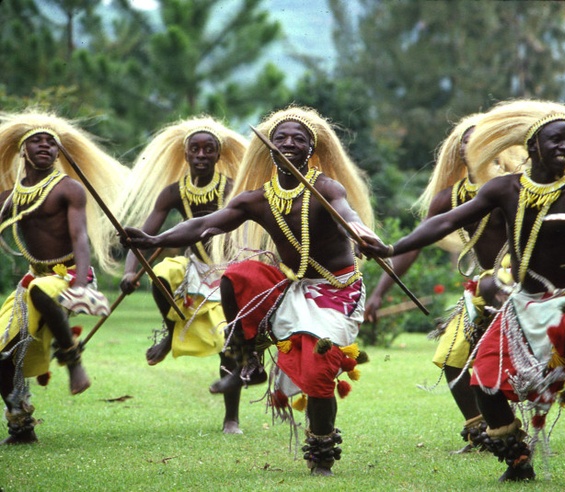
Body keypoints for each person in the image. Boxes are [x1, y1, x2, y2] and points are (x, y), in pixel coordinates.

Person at [359, 100, 565, 481]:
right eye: (556, 141)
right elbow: (446, 221)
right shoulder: (502, 190)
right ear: (533, 148)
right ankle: (517, 462)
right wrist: (392, 247)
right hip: (521, 303)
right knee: (483, 380)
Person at [121, 106, 374, 477]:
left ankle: (321, 455)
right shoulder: (256, 199)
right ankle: (246, 357)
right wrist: (156, 239)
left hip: (337, 290)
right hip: (294, 285)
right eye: (282, 137)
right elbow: (204, 224)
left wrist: (363, 234)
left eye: (298, 139)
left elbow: (349, 215)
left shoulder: (325, 189)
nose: (289, 143)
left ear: (310, 150)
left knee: (318, 369)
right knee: (238, 275)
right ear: (269, 147)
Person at [364, 112, 520, 453]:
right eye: (466, 140)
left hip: (520, 281)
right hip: (485, 285)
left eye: (481, 138)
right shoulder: (450, 197)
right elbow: (418, 241)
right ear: (458, 151)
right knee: (452, 357)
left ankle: (510, 426)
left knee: (506, 360)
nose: (473, 144)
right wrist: (378, 294)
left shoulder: (516, 186)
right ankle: (481, 432)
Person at [0, 111, 128, 444]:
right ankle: (21, 426)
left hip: (71, 274)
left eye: (51, 142)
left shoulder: (69, 189)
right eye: (36, 141)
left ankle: (73, 363)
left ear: (59, 152)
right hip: (33, 280)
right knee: (1, 352)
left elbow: (80, 238)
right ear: (22, 151)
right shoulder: (9, 198)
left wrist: (81, 286)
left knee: (43, 289)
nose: (45, 146)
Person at [114, 117, 248, 434]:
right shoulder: (173, 193)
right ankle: (170, 330)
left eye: (208, 149)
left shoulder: (231, 190)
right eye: (195, 149)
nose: (201, 155)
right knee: (160, 273)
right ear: (185, 155)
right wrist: (130, 271)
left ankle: (232, 418)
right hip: (193, 270)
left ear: (219, 155)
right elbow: (143, 237)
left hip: (229, 272)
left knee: (228, 344)